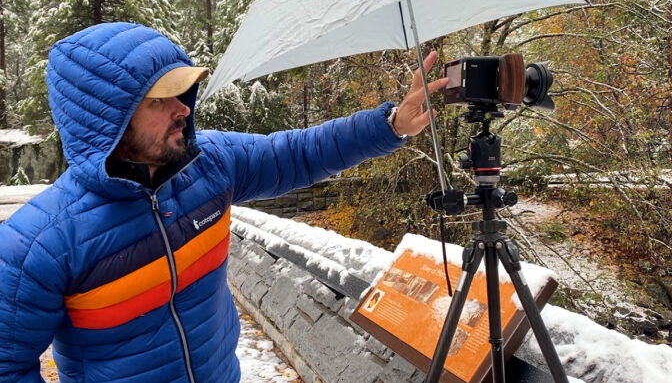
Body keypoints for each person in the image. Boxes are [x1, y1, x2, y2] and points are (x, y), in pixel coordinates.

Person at [0, 22, 447, 383]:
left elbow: (299, 152)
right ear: (107, 118)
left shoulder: (210, 163)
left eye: (183, 93)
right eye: (162, 99)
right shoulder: (37, 245)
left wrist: (391, 125)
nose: (184, 109)